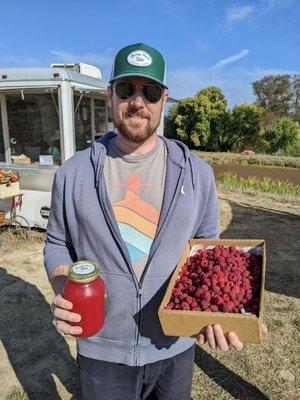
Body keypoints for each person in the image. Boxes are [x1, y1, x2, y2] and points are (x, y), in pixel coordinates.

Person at [44, 43, 266, 400]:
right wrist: (62, 287)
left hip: (173, 348)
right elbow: (57, 244)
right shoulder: (73, 174)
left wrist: (214, 315)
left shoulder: (197, 175)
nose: (137, 102)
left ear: (164, 99)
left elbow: (204, 252)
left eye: (149, 91)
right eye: (126, 89)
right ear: (110, 95)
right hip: (102, 347)